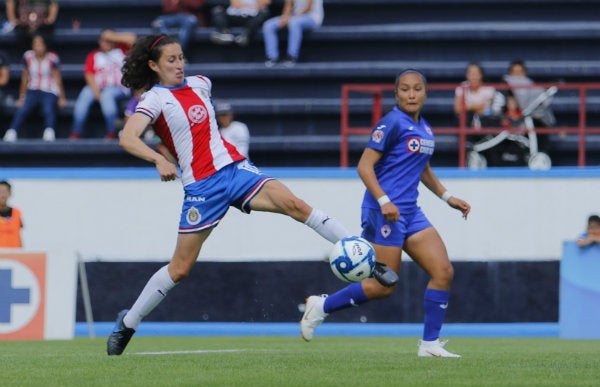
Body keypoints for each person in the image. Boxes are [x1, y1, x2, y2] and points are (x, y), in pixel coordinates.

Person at [105, 34, 397, 356]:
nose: (179, 65)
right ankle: (127, 324)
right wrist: (159, 159)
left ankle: (370, 261)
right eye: (171, 60)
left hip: (235, 170)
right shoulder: (154, 99)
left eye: (181, 58)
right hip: (202, 187)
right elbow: (127, 138)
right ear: (153, 65)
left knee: (295, 205)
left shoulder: (201, 83)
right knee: (180, 269)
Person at [300, 69, 471, 358]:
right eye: (405, 89)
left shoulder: (425, 129)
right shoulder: (391, 122)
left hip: (410, 212)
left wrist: (446, 196)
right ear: (396, 94)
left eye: (417, 89)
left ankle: (429, 345)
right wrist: (384, 201)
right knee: (383, 286)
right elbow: (364, 166)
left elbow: (422, 168)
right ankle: (321, 306)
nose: (412, 94)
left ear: (426, 94)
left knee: (443, 272)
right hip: (384, 212)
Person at [69, 29, 136, 140]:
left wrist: (112, 36)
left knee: (107, 95)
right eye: (104, 40)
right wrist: (97, 93)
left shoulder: (122, 50)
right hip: (98, 88)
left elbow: (133, 39)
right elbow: (89, 74)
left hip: (118, 88)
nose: (106, 43)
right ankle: (76, 132)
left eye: (109, 40)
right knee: (85, 94)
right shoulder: (94, 55)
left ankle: (112, 132)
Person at [3, 34, 66, 142]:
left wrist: (62, 97)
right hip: (33, 90)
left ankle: (49, 131)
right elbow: (25, 77)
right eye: (35, 44)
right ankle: (12, 131)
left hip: (49, 90)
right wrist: (22, 96)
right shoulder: (27, 56)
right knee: (24, 108)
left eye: (40, 44)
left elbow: (58, 79)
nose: (37, 47)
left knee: (48, 108)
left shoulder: (53, 58)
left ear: (45, 46)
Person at [503, 59, 556, 153]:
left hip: (530, 120)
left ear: (525, 73)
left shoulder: (533, 88)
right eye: (515, 73)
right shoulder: (504, 88)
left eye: (520, 72)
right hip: (509, 122)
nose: (517, 77)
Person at [262, 0, 323, 67]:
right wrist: (285, 17)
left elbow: (308, 8)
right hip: (294, 16)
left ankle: (291, 57)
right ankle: (272, 57)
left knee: (294, 23)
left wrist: (291, 18)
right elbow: (288, 4)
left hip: (311, 17)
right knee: (268, 26)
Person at [454, 62, 504, 130]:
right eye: (471, 73)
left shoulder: (489, 89)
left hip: (485, 122)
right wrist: (476, 107)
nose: (474, 76)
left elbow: (486, 110)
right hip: (468, 122)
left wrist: (468, 107)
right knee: (464, 117)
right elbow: (457, 109)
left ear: (481, 75)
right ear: (467, 75)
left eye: (476, 73)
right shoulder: (462, 87)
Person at [0, 180, 23, 248]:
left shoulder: (17, 212)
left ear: (10, 193)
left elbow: (19, 234)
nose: (2, 195)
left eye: (5, 191)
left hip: (14, 254)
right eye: (0, 191)